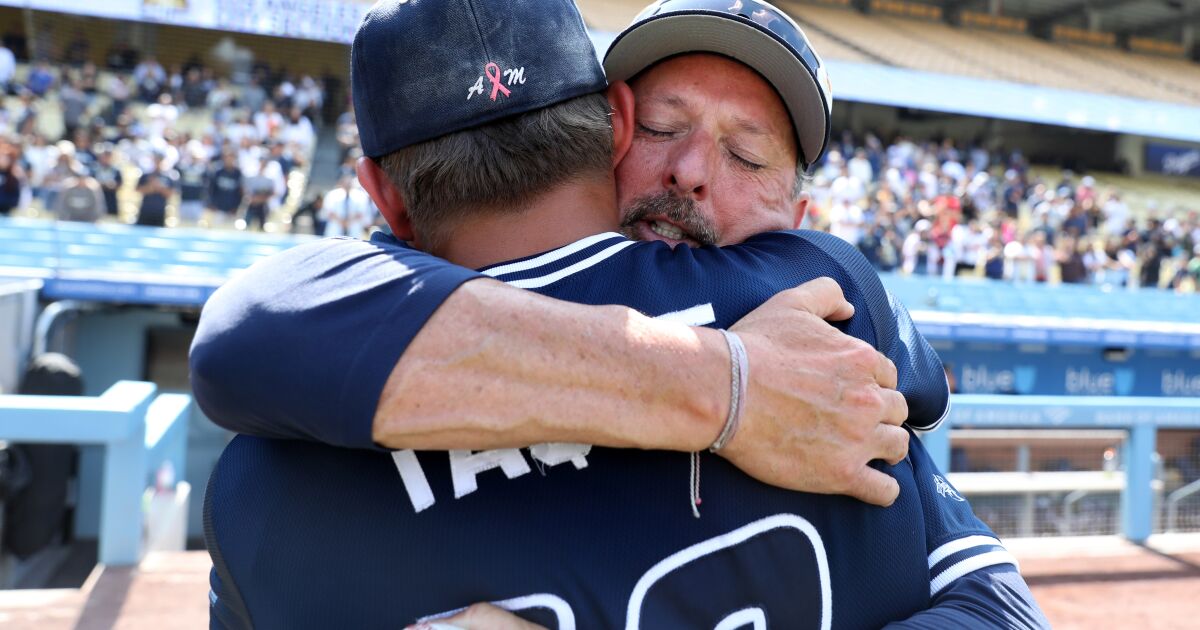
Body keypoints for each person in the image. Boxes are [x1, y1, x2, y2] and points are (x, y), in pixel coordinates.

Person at [197, 1, 1046, 627]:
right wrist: (728, 384)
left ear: (381, 194)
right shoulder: (829, 312)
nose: (689, 172)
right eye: (667, 127)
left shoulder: (261, 480)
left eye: (748, 154)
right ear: (614, 126)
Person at [135, 154, 177, 227]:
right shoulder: (146, 175)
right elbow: (138, 190)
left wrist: (159, 188)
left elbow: (170, 194)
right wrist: (150, 187)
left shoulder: (168, 177)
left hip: (160, 211)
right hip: (146, 210)